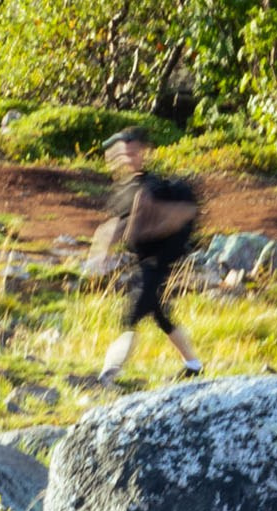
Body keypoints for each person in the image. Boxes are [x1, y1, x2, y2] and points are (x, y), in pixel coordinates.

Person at [92, 129, 205, 382]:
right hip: (144, 262)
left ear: (144, 152)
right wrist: (102, 248)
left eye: (133, 153)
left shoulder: (154, 186)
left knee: (131, 317)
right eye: (125, 154)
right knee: (159, 314)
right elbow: (120, 224)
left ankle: (108, 375)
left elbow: (183, 213)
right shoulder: (127, 188)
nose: (128, 158)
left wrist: (153, 225)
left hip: (158, 261)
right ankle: (194, 366)